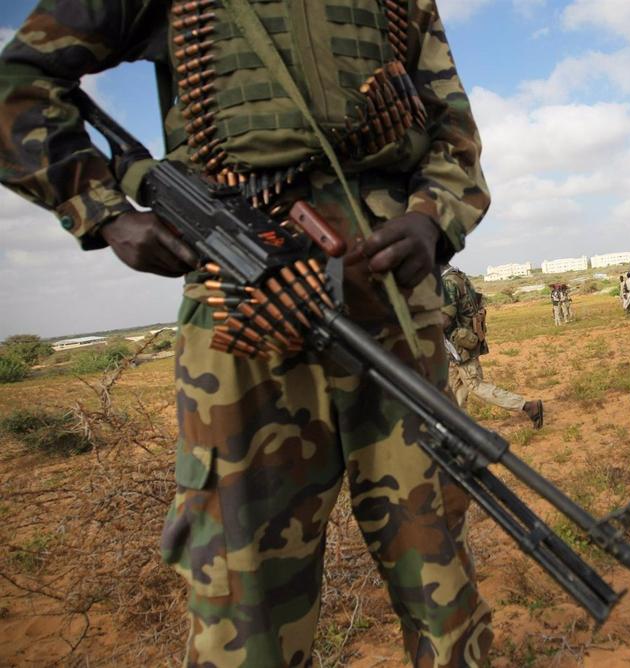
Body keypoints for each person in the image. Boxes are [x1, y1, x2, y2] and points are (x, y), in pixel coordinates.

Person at [0, 2, 494, 665]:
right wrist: (103, 211)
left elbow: (451, 125)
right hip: (242, 294)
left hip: (394, 293)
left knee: (436, 560)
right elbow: (18, 83)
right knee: (244, 584)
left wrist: (433, 215)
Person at [442, 265, 544, 428]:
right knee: (455, 387)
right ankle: (457, 425)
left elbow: (445, 320)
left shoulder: (448, 282)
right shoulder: (458, 276)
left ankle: (527, 406)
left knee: (475, 385)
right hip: (462, 343)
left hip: (460, 347)